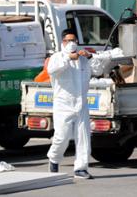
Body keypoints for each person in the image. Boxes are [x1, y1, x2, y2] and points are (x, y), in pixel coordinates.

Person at [47, 29, 94, 179]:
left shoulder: (82, 58)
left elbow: (98, 68)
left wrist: (90, 56)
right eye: (68, 40)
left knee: (83, 137)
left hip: (81, 103)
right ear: (63, 42)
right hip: (63, 104)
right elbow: (52, 70)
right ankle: (54, 159)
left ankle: (81, 168)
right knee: (62, 137)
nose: (72, 43)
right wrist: (68, 58)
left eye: (74, 40)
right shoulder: (57, 57)